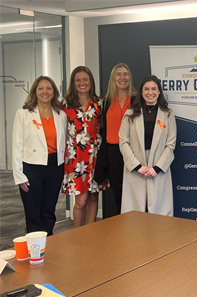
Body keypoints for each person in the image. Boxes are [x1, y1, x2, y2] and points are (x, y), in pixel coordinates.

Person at [12, 76, 67, 236]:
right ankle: (35, 248)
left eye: (49, 88)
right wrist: (19, 175)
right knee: (33, 210)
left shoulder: (60, 115)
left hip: (54, 166)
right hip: (31, 167)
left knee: (49, 209)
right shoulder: (23, 114)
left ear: (54, 92)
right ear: (35, 92)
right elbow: (16, 145)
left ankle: (48, 241)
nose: (45, 92)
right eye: (41, 88)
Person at [119, 75, 176, 216]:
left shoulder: (168, 115)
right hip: (135, 167)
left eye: (153, 89)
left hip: (158, 167)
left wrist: (157, 168)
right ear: (141, 92)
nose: (150, 92)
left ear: (159, 92)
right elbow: (123, 141)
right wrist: (137, 166)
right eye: (146, 89)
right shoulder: (129, 114)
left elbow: (171, 145)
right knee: (134, 213)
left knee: (160, 214)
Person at [62, 66, 108, 228]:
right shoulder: (65, 104)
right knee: (80, 202)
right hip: (76, 158)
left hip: (95, 157)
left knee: (93, 198)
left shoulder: (100, 103)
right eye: (78, 80)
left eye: (85, 79)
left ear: (91, 81)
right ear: (73, 83)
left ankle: (91, 233)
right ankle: (78, 234)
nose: (82, 83)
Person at [94, 63, 137, 215]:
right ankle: (123, 228)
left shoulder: (137, 99)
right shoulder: (106, 101)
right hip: (113, 152)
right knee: (118, 194)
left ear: (129, 77)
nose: (122, 77)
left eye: (125, 74)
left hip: (133, 151)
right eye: (118, 74)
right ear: (113, 78)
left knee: (134, 192)